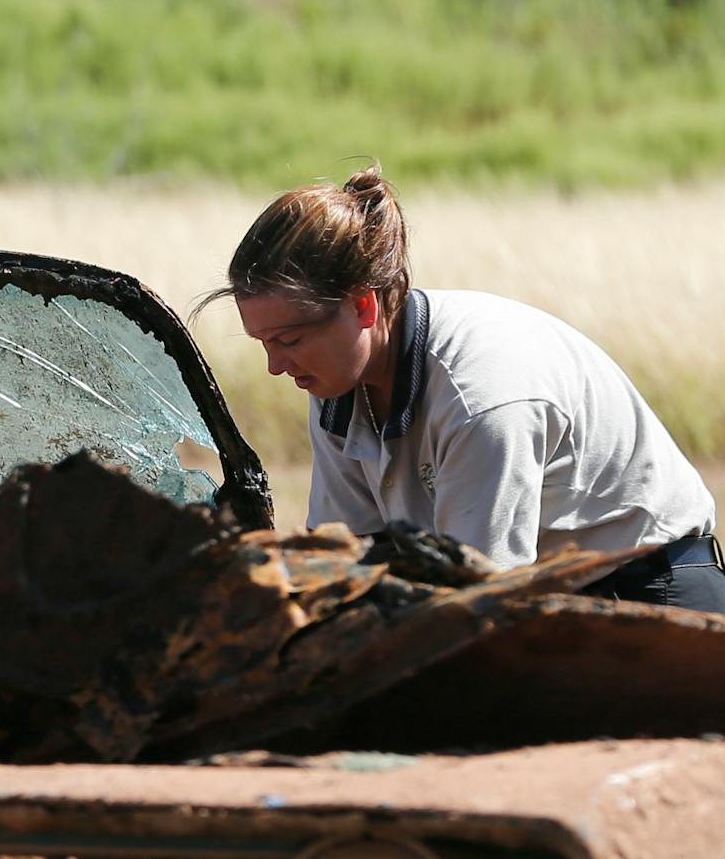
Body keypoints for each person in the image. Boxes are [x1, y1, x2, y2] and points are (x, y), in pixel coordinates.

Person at [213, 165, 721, 608]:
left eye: (290, 339)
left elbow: (484, 594)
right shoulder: (336, 382)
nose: (276, 366)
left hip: (648, 593)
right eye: (264, 343)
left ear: (363, 306)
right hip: (538, 598)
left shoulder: (482, 397)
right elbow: (349, 562)